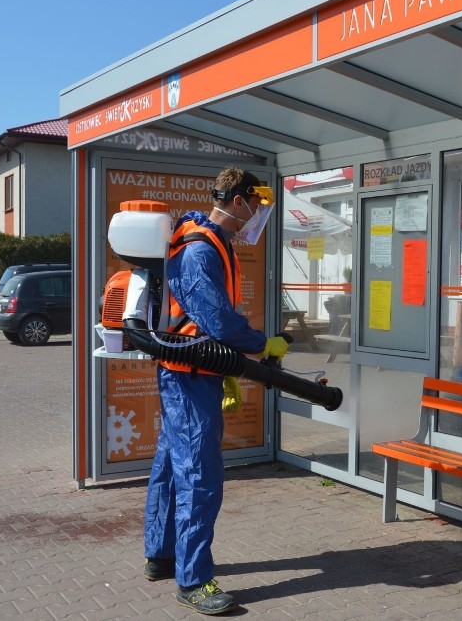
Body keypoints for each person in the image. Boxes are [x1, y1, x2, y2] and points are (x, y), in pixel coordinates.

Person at [143, 166, 288, 615]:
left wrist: (223, 367)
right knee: (200, 476)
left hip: (191, 369)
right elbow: (217, 320)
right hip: (189, 377)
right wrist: (263, 343)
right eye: (256, 205)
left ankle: (161, 555)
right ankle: (194, 580)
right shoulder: (200, 250)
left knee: (171, 464)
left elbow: (206, 321)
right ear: (240, 199)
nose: (256, 215)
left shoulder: (208, 240)